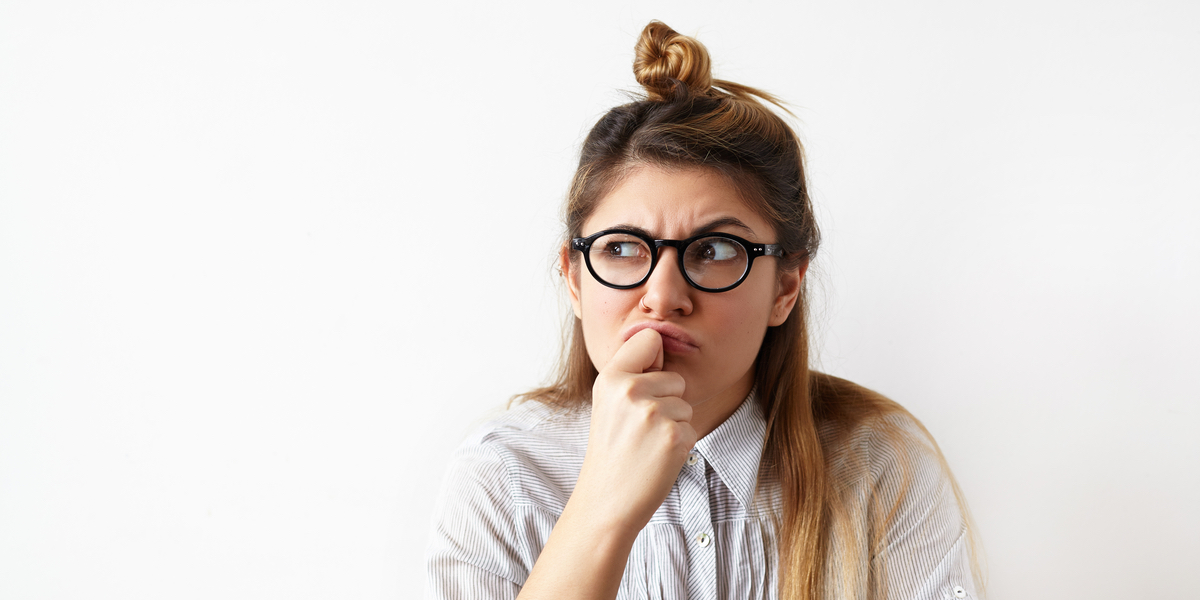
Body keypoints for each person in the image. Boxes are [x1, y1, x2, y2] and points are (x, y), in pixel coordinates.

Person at [425, 20, 982, 600]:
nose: (663, 297)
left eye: (715, 251)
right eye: (621, 248)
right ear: (573, 277)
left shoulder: (880, 466)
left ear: (785, 286)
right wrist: (601, 508)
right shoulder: (504, 478)